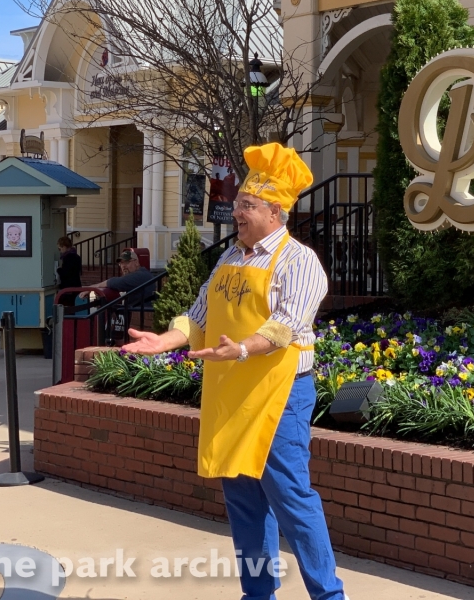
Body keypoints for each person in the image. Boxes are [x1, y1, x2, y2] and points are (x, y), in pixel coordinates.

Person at [122, 143, 345, 600]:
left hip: (278, 393)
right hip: (230, 392)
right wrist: (164, 340)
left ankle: (329, 595)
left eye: (247, 205)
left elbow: (286, 328)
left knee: (291, 500)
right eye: (239, 204)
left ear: (275, 212)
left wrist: (242, 348)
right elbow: (199, 315)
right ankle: (257, 594)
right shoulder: (230, 258)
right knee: (243, 504)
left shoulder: (299, 261)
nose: (236, 213)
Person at [77, 248, 154, 304]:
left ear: (136, 262)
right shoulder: (143, 274)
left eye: (126, 262)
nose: (123, 266)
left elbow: (115, 282)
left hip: (141, 318)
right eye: (121, 263)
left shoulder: (140, 275)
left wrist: (92, 288)